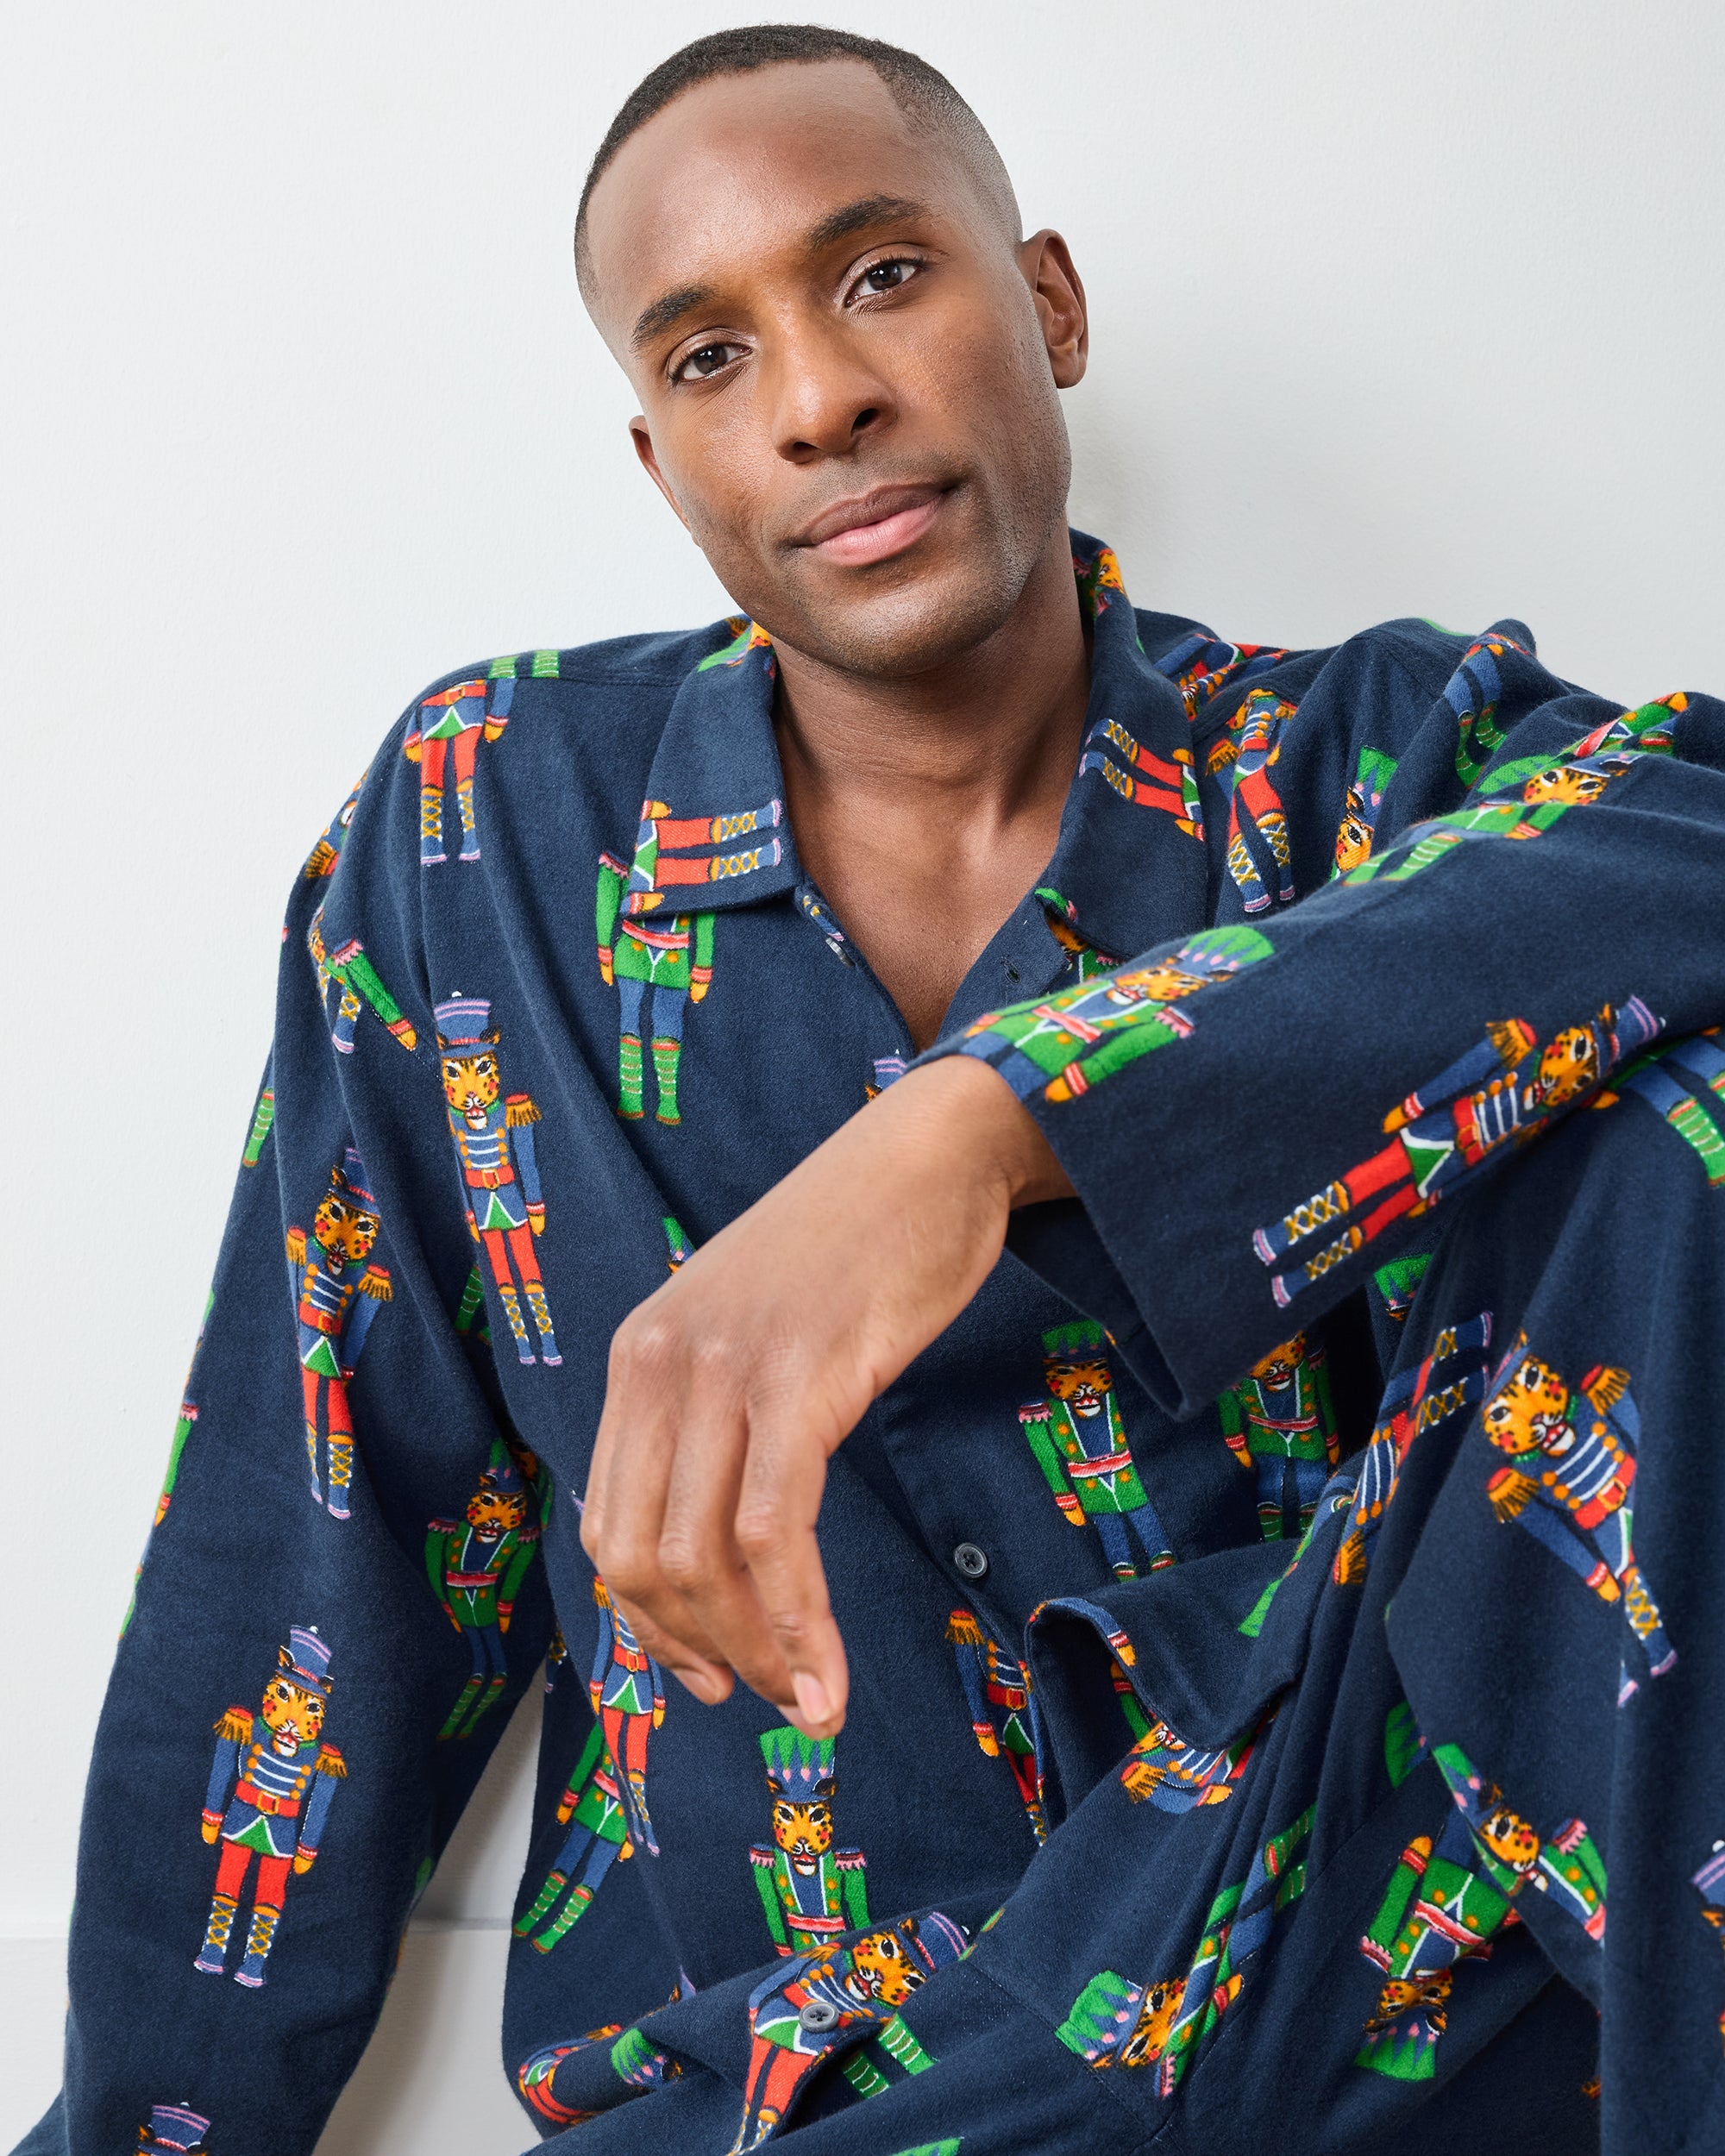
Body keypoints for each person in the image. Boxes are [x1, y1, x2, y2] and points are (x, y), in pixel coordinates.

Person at [19, 23, 1725, 2156]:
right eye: (709, 356)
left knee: (1678, 1110)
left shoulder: (1361, 763)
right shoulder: (487, 838)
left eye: (883, 275)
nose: (818, 397)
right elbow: (308, 1550)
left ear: (1052, 306)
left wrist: (989, 1124)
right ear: (661, 461)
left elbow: (1691, 829)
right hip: (825, 2078)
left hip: (1356, 2006)